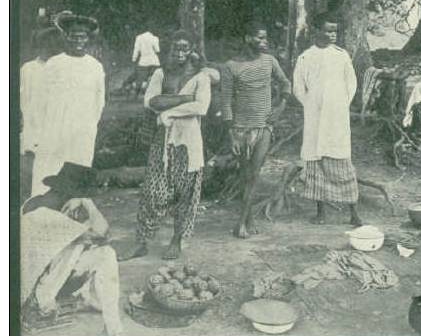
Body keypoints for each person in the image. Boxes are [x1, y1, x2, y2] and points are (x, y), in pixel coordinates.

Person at [134, 30, 212, 260]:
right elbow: (150, 101)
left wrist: (168, 110)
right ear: (168, 50)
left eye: (184, 48)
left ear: (191, 51)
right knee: (152, 191)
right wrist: (184, 99)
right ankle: (141, 241)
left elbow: (201, 108)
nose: (179, 53)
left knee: (185, 193)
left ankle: (177, 240)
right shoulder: (161, 73)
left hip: (188, 142)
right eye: (175, 48)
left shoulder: (201, 77)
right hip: (162, 140)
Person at [21, 162, 122, 336]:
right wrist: (88, 203)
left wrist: (82, 201)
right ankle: (112, 326)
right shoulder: (48, 213)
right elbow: (103, 233)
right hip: (35, 289)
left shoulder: (37, 202)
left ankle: (105, 314)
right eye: (84, 194)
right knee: (103, 253)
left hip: (44, 275)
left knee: (98, 250)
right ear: (72, 194)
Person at [220, 22, 292, 238]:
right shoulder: (230, 66)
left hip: (264, 127)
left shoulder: (270, 61)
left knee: (253, 173)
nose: (264, 42)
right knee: (246, 175)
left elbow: (286, 84)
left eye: (265, 38)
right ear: (247, 38)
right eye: (259, 38)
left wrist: (280, 106)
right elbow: (225, 102)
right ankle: (249, 219)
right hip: (240, 129)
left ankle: (240, 223)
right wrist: (231, 133)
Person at [293, 14, 362, 226]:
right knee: (316, 163)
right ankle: (321, 212)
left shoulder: (342, 55)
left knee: (342, 161)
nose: (332, 35)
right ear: (316, 31)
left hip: (337, 118)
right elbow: (298, 87)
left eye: (335, 31)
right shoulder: (306, 57)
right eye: (328, 30)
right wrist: (311, 105)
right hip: (314, 118)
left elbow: (351, 84)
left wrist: (340, 104)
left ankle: (354, 213)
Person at [30, 14, 105, 198]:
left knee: (77, 167)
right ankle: (42, 210)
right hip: (54, 128)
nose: (78, 41)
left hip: (82, 130)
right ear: (66, 37)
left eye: (82, 36)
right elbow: (39, 101)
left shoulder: (95, 66)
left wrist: (88, 126)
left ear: (88, 39)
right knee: (50, 168)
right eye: (73, 36)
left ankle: (72, 212)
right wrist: (39, 131)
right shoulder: (54, 64)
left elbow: (99, 101)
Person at [20, 26, 61, 201]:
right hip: (34, 124)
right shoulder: (28, 68)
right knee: (33, 167)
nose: (47, 48)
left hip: (55, 125)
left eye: (51, 44)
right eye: (44, 44)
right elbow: (24, 99)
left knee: (53, 167)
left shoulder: (61, 67)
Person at [128, 21, 161, 97]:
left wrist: (134, 59)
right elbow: (157, 50)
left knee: (140, 78)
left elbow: (136, 50)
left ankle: (136, 95)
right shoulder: (155, 38)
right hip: (154, 61)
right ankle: (154, 94)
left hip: (143, 62)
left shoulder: (139, 38)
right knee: (154, 78)